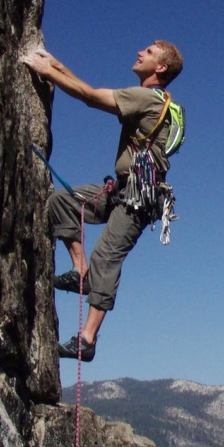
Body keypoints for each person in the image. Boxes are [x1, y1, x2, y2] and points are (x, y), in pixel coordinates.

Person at [21, 40, 185, 361]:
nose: (140, 52)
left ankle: (87, 339)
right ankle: (80, 272)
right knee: (64, 201)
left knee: (107, 256)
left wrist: (47, 72)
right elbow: (88, 89)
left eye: (149, 52)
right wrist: (54, 64)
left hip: (139, 198)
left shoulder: (145, 99)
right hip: (123, 188)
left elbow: (89, 95)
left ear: (160, 68)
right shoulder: (152, 100)